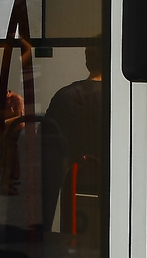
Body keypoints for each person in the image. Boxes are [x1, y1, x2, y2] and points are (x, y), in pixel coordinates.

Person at [41, 41, 106, 231]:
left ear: (88, 62)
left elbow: (46, 151)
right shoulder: (119, 100)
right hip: (110, 193)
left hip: (70, 192)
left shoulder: (64, 96)